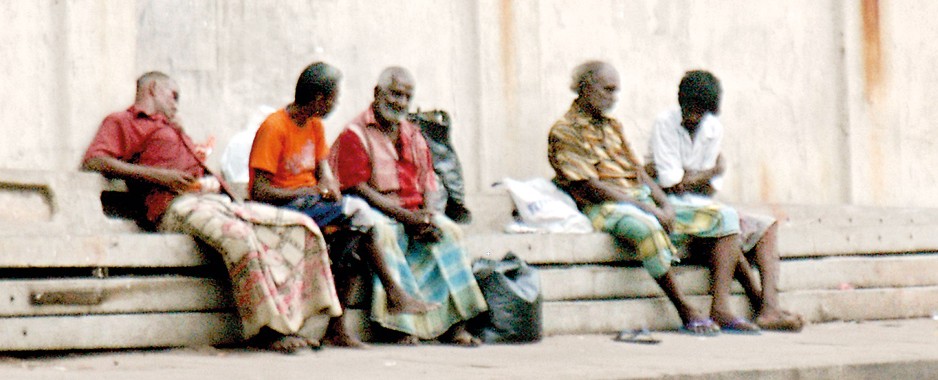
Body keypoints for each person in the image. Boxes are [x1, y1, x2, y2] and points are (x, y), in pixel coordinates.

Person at [81, 71, 342, 353]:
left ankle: (309, 326)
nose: (177, 104)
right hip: (176, 206)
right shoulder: (124, 122)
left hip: (218, 202)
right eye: (174, 96)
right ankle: (267, 330)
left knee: (301, 225)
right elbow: (94, 160)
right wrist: (157, 176)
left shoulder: (172, 127)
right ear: (154, 89)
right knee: (241, 237)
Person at [547, 61, 760, 335]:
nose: (613, 98)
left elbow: (639, 172)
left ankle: (720, 308)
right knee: (646, 227)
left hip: (640, 198)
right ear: (585, 87)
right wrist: (646, 207)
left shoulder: (613, 127)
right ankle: (685, 309)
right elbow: (589, 186)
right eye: (607, 90)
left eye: (616, 92)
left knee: (726, 217)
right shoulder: (564, 130)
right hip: (603, 205)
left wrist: (664, 204)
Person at [248, 62, 439, 348]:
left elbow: (323, 167)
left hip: (309, 204)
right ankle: (394, 294)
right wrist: (313, 189)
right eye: (334, 99)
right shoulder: (275, 127)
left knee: (351, 246)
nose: (336, 105)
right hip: (283, 206)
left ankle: (337, 329)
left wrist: (329, 185)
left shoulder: (314, 126)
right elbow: (259, 191)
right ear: (318, 100)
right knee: (361, 215)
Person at [329, 67, 488, 346]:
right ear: (377, 93)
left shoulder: (414, 134)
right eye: (394, 94)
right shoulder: (354, 134)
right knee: (383, 233)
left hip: (413, 213)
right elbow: (357, 188)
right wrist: (407, 218)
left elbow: (428, 179)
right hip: (380, 213)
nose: (400, 102)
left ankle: (455, 325)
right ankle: (402, 328)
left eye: (406, 96)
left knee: (450, 233)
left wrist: (427, 217)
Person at [646, 70, 805, 331]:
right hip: (669, 205)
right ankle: (727, 307)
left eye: (700, 111)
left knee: (766, 225)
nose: (693, 116)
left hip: (701, 204)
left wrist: (696, 179)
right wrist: (713, 171)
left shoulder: (712, 128)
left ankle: (769, 306)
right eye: (689, 109)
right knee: (727, 220)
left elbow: (705, 190)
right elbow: (671, 183)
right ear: (680, 102)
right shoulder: (665, 123)